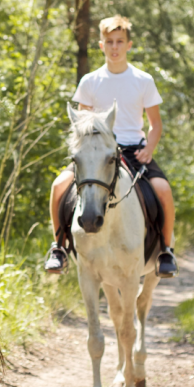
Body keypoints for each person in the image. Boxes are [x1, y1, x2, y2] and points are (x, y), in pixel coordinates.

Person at [44, 15, 178, 278]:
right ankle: (59, 247)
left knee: (162, 189)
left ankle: (166, 249)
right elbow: (81, 127)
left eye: (119, 41)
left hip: (132, 150)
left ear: (128, 45)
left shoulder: (143, 80)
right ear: (101, 45)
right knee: (59, 185)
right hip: (96, 154)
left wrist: (149, 149)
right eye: (109, 42)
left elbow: (155, 124)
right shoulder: (90, 82)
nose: (114, 47)